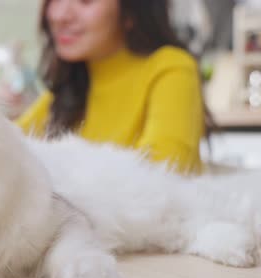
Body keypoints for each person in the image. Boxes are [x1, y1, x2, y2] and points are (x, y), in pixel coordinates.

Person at [16, 0, 208, 175]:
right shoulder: (70, 85)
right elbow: (7, 147)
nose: (60, 15)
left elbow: (164, 173)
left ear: (130, 10)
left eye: (85, 1)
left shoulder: (171, 67)